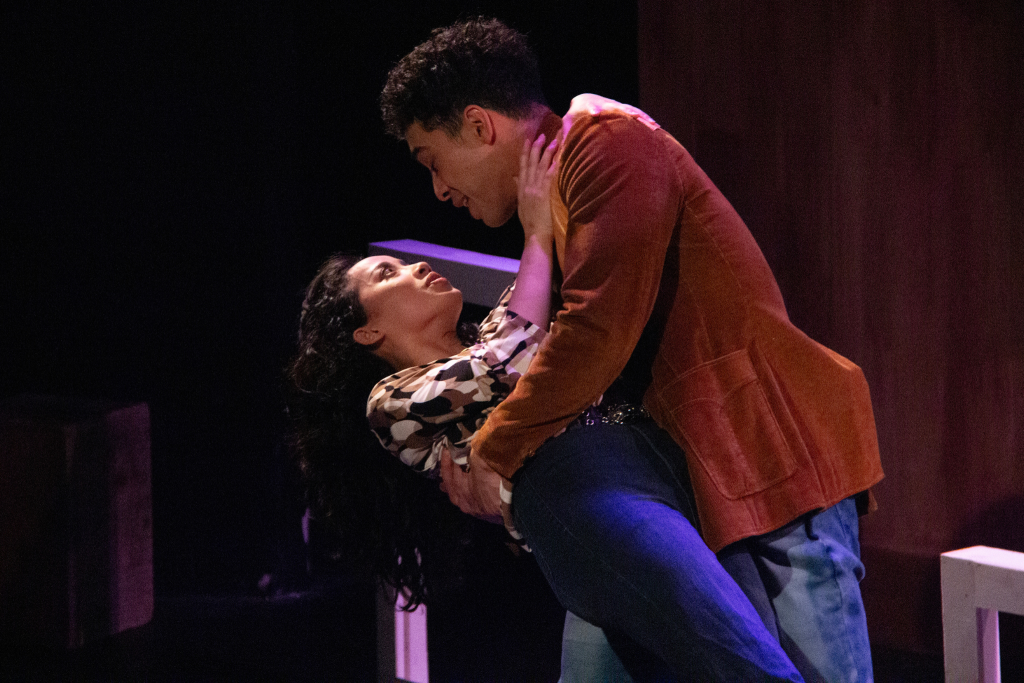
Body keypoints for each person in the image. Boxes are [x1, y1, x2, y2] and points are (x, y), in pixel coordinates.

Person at [379, 16, 884, 683]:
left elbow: (595, 334)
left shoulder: (606, 146)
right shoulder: (560, 198)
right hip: (703, 481)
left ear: (479, 125)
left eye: (431, 160)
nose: (440, 190)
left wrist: (491, 451)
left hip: (776, 455)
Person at [288, 137, 646, 681]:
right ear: (368, 332)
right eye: (388, 275)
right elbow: (510, 357)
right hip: (597, 545)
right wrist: (534, 234)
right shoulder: (391, 405)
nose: (417, 268)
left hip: (637, 500)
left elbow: (527, 325)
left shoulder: (495, 325)